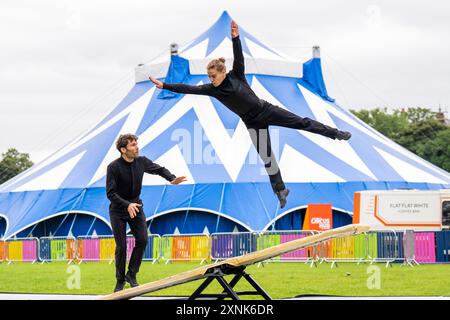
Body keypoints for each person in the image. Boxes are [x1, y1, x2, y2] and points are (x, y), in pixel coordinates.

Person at [150, 20, 351, 209]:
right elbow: (187, 88)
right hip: (252, 122)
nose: (210, 79)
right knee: (267, 156)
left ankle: (335, 133)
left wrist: (235, 38)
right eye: (209, 76)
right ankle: (280, 190)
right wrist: (165, 85)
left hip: (266, 110)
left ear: (222, 72)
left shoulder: (237, 74)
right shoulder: (212, 89)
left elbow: (239, 57)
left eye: (213, 76)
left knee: (302, 122)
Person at [106, 133, 187, 292]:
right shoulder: (113, 167)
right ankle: (120, 280)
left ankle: (132, 274)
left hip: (136, 207)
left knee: (143, 240)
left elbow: (159, 169)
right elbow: (110, 193)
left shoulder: (141, 162)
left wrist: (172, 178)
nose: (137, 147)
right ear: (123, 149)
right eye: (133, 145)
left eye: (137, 143)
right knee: (121, 247)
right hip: (118, 210)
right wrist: (126, 204)